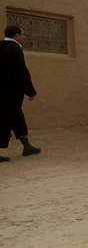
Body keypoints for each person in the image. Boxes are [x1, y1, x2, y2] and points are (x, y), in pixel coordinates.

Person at [0, 26, 40, 162]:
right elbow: (20, 72)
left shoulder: (1, 46)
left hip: (4, 94)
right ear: (16, 35)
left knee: (17, 117)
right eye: (23, 34)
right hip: (10, 93)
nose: (24, 37)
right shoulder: (14, 48)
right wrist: (30, 91)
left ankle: (27, 146)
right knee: (4, 120)